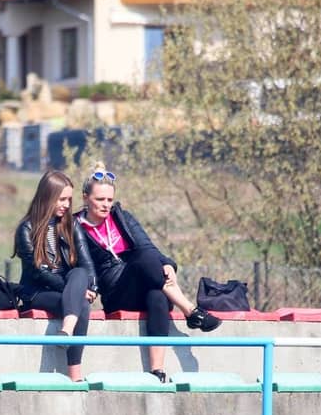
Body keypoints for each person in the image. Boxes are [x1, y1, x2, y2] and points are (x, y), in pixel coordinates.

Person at [76, 164, 221, 383]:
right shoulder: (75, 226)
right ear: (85, 198)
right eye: (100, 199)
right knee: (141, 259)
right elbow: (78, 264)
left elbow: (147, 246)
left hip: (143, 280)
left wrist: (166, 263)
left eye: (109, 199)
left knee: (157, 295)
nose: (106, 205)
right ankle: (190, 311)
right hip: (116, 292)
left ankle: (157, 371)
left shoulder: (122, 217)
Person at [14, 170, 97, 382]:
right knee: (81, 304)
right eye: (61, 199)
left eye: (69, 199)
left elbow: (87, 264)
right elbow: (38, 272)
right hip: (37, 292)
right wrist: (75, 290)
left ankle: (66, 331)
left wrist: (92, 288)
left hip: (68, 288)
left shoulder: (71, 225)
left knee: (80, 273)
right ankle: (75, 376)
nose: (66, 205)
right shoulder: (26, 229)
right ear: (47, 197)